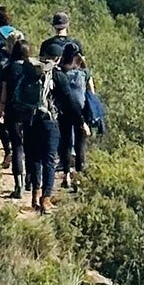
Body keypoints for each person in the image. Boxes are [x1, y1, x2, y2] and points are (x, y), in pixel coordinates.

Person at [7, 43, 58, 213]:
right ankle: (46, 198)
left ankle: (35, 195)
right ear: (57, 58)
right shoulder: (55, 75)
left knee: (34, 157)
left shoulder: (28, 72)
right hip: (48, 121)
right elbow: (69, 99)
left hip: (29, 119)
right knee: (49, 160)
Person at [53, 44, 92, 191]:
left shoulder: (60, 73)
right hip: (81, 112)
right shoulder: (84, 73)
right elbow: (91, 94)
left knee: (66, 143)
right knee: (80, 145)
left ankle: (67, 175)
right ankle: (78, 177)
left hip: (64, 112)